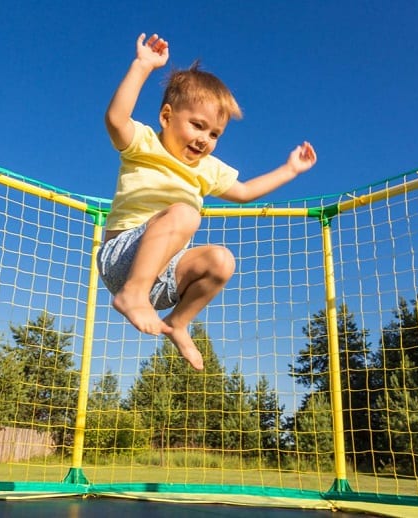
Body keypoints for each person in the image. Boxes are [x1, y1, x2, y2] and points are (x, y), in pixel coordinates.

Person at [98, 33, 317, 371]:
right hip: (122, 258)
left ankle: (178, 322)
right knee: (186, 214)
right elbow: (115, 119)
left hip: (167, 274)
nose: (204, 139)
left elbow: (244, 192)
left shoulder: (208, 169)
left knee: (221, 260)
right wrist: (143, 66)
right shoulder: (143, 143)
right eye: (197, 126)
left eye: (214, 134)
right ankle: (132, 294)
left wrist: (290, 169)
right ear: (167, 116)